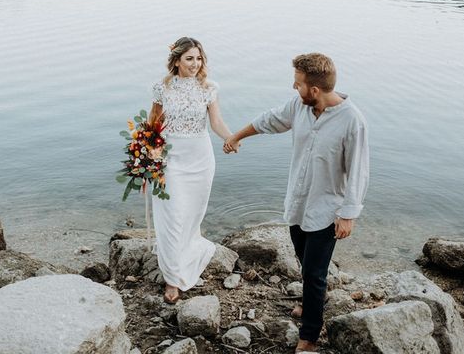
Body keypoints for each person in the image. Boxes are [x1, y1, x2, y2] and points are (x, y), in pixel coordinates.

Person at [223, 53, 369, 353]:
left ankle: (309, 337)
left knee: (314, 274)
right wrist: (239, 136)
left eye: (298, 83)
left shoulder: (352, 121)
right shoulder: (299, 107)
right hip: (298, 204)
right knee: (306, 264)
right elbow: (269, 120)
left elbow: (358, 171)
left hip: (328, 211)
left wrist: (348, 214)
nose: (294, 86)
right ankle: (310, 300)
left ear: (314, 90)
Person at [149, 37, 233, 304]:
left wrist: (230, 138)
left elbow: (216, 122)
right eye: (189, 59)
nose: (195, 64)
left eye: (199, 58)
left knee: (191, 216)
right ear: (176, 61)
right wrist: (151, 151)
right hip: (171, 159)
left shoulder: (209, 88)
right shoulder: (162, 88)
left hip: (200, 158)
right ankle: (173, 279)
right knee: (173, 214)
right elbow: (153, 122)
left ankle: (182, 253)